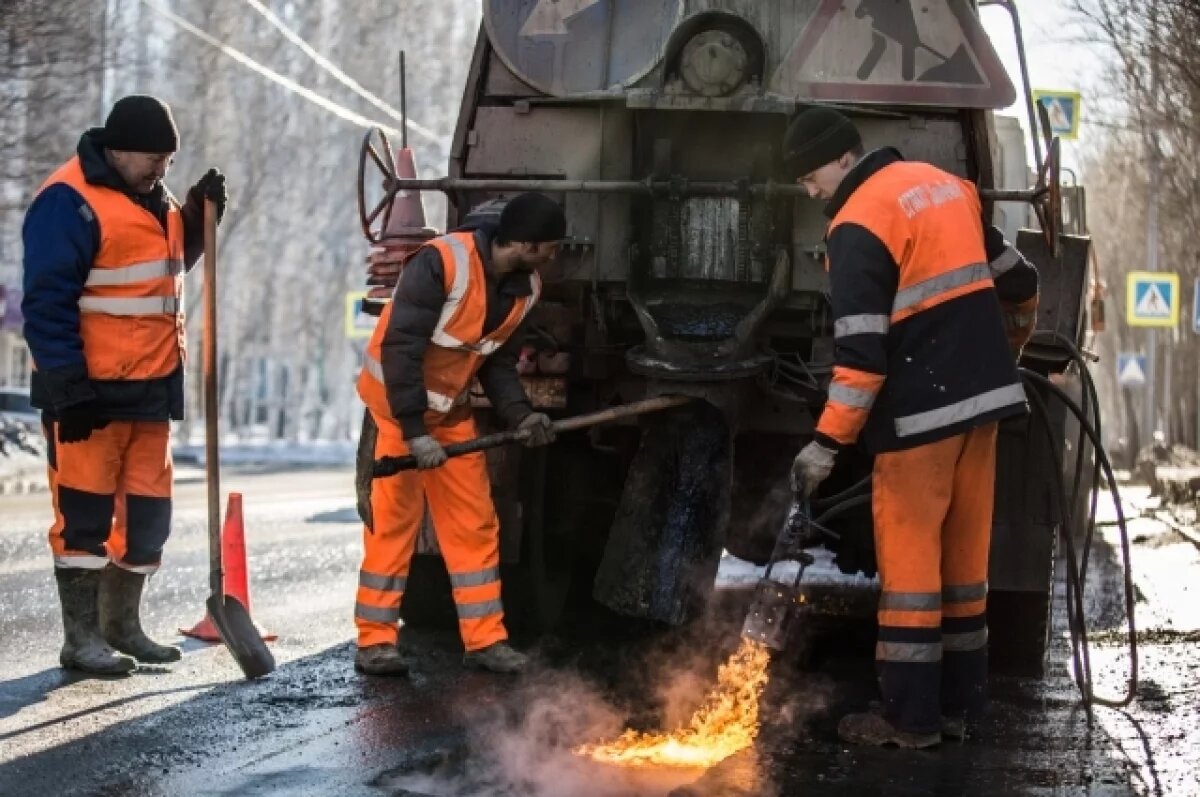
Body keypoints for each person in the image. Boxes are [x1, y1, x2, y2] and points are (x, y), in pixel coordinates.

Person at [783, 108, 1039, 747]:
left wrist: (826, 445)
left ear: (843, 158)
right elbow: (1023, 281)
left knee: (912, 568)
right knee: (962, 563)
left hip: (920, 418)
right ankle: (961, 705)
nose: (809, 191)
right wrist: (1010, 351)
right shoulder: (947, 189)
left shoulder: (857, 225)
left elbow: (861, 360)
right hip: (983, 409)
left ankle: (909, 720)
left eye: (810, 176)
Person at [22, 95, 227, 675]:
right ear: (117, 149)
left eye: (169, 160)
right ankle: (81, 639)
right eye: (154, 159)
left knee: (147, 521)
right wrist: (66, 386)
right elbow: (47, 302)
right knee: (83, 520)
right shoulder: (69, 201)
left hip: (148, 392)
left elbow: (158, 275)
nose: (163, 169)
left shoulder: (152, 198)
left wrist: (193, 220)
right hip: (89, 396)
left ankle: (122, 626)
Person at [354, 192, 566, 676]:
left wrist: (521, 416)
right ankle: (375, 644)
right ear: (527, 244)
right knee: (392, 528)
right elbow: (401, 348)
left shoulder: (525, 288)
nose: (554, 257)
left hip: (449, 416)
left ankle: (486, 641)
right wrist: (412, 432)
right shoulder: (441, 263)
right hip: (394, 415)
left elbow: (499, 364)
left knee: (474, 526)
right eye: (550, 247)